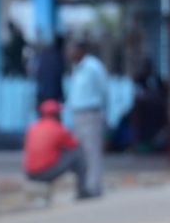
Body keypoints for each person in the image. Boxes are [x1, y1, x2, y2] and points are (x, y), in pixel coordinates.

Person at [65, 41, 109, 198]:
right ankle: (82, 187)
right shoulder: (77, 68)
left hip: (91, 113)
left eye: (72, 50)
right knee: (79, 153)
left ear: (81, 50)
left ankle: (94, 187)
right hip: (77, 114)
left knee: (92, 152)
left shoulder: (93, 67)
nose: (70, 54)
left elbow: (104, 91)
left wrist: (106, 115)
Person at [22, 99, 86, 198]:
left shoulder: (33, 128)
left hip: (30, 173)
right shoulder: (58, 128)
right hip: (45, 173)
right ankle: (82, 191)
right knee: (77, 154)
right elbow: (74, 145)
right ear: (56, 114)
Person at [34, 34, 66, 105]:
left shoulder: (44, 55)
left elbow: (38, 74)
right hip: (52, 95)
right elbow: (58, 77)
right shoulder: (57, 57)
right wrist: (61, 96)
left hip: (42, 94)